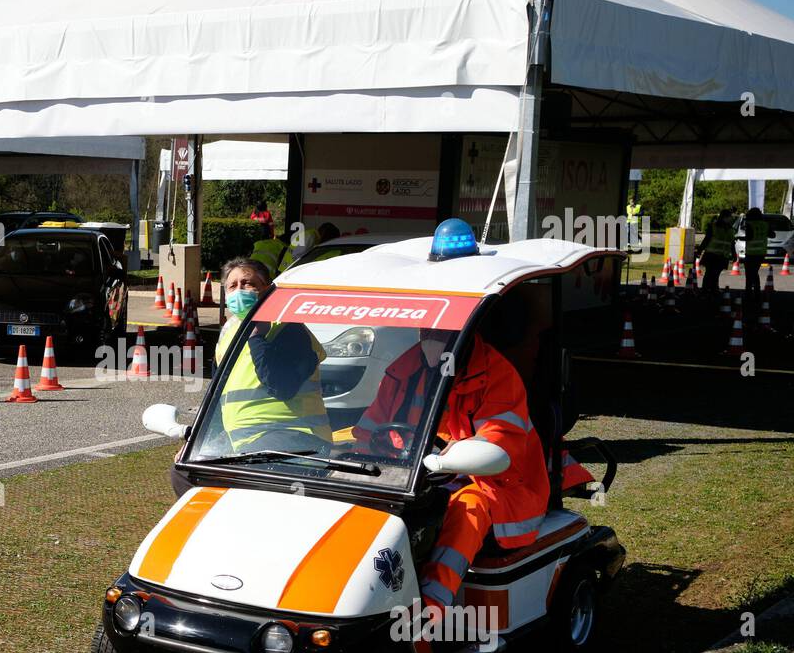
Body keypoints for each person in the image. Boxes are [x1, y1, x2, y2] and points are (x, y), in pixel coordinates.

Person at [354, 327, 548, 614]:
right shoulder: (406, 370)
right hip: (417, 472)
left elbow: (497, 448)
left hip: (499, 484)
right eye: (427, 330)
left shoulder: (497, 375)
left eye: (441, 332)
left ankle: (431, 609)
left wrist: (446, 461)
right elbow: (369, 432)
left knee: (467, 507)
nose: (430, 337)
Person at [214, 257, 332, 453]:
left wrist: (256, 338)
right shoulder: (230, 333)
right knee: (182, 472)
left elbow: (282, 387)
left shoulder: (289, 329)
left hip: (294, 436)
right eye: (232, 286)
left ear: (267, 290)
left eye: (247, 283)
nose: (239, 291)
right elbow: (218, 396)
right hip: (246, 443)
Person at [696, 209, 734, 296]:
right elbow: (706, 239)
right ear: (724, 217)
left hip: (722, 255)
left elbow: (731, 243)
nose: (731, 218)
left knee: (715, 274)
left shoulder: (730, 229)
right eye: (729, 216)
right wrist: (700, 250)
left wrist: (734, 254)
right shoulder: (714, 227)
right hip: (712, 254)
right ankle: (706, 290)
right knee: (710, 273)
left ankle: (712, 289)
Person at [742, 207, 771, 307]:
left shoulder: (750, 224)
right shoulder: (765, 224)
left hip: (751, 253)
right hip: (761, 253)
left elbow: (749, 237)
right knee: (754, 272)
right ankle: (756, 293)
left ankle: (749, 293)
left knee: (749, 274)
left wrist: (740, 238)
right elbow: (772, 234)